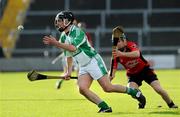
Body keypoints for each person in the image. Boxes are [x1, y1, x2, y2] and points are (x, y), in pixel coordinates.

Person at [43, 11, 146, 113]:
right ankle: (104, 107)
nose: (58, 23)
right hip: (83, 65)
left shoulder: (78, 32)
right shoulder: (63, 36)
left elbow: (73, 48)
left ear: (67, 21)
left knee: (108, 87)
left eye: (61, 21)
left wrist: (56, 43)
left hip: (93, 61)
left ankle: (134, 92)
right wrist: (68, 72)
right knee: (82, 89)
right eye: (58, 21)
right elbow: (68, 55)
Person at [109, 25, 178, 109]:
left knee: (158, 89)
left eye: (118, 41)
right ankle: (142, 100)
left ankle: (171, 104)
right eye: (114, 42)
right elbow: (112, 72)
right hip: (133, 75)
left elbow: (137, 54)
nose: (116, 44)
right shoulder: (115, 55)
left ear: (125, 41)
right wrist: (108, 79)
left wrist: (121, 54)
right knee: (132, 91)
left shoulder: (131, 45)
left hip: (145, 70)